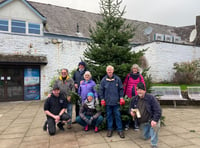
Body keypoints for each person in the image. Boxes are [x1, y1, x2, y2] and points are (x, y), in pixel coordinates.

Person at [129, 82, 161, 148]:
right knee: (144, 137)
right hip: (142, 122)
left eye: (141, 90)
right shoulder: (134, 99)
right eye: (138, 90)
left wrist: (155, 120)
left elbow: (158, 110)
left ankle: (154, 144)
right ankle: (149, 132)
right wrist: (131, 112)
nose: (139, 91)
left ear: (144, 90)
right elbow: (130, 108)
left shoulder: (151, 98)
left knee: (156, 126)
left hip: (151, 120)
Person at [99, 65, 125, 138]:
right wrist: (102, 99)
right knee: (109, 116)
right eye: (108, 70)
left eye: (111, 70)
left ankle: (120, 130)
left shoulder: (117, 79)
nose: (109, 71)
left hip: (116, 102)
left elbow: (121, 89)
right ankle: (110, 129)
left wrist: (121, 97)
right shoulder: (104, 80)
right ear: (106, 71)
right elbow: (101, 90)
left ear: (113, 71)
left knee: (118, 116)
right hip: (107, 102)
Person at [123, 64, 146, 130]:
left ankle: (136, 124)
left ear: (137, 69)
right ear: (132, 69)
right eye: (134, 68)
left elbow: (143, 86)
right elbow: (125, 85)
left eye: (136, 69)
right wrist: (123, 94)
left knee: (136, 110)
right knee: (129, 109)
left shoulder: (140, 77)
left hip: (137, 95)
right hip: (129, 95)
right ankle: (127, 124)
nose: (135, 70)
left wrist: (143, 94)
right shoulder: (128, 76)